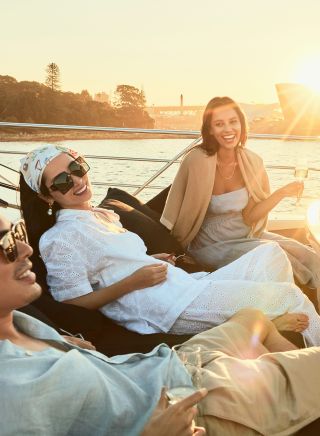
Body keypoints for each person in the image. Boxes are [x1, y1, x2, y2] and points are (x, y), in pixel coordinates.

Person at [1, 212, 320, 436]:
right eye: (7, 245)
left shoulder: (19, 324)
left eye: (18, 233)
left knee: (254, 316)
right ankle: (287, 387)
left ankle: (286, 377)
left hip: (171, 363)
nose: (26, 249)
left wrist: (63, 346)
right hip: (194, 404)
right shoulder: (9, 384)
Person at [19, 145, 320, 344]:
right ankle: (294, 342)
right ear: (47, 196)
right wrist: (133, 281)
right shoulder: (59, 238)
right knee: (291, 296)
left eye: (76, 167)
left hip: (180, 284)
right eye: (61, 181)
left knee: (271, 254)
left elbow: (115, 262)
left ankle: (270, 329)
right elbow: (72, 302)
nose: (75, 180)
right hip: (165, 306)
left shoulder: (101, 215)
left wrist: (153, 259)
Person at [160, 96, 320, 290]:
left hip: (245, 235)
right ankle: (288, 306)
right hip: (209, 244)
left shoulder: (252, 162)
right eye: (219, 124)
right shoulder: (196, 160)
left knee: (307, 255)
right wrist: (165, 248)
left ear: (242, 125)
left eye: (233, 122)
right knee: (275, 256)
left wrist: (282, 193)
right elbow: (174, 205)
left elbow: (250, 216)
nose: (228, 129)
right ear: (210, 129)